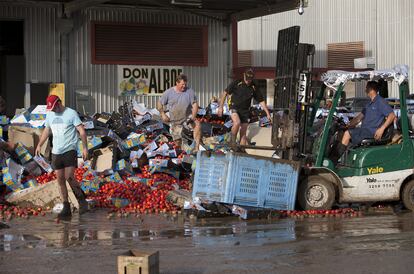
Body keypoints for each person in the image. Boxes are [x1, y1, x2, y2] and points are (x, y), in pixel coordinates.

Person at [35, 95, 89, 218]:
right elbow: (47, 130)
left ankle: (81, 199)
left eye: (54, 107)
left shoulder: (71, 113)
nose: (53, 110)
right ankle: (66, 206)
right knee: (60, 179)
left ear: (59, 103)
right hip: (56, 151)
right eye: (51, 109)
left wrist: (85, 148)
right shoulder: (50, 115)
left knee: (69, 177)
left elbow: (81, 131)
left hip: (70, 149)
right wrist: (39, 145)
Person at [329, 81, 395, 163]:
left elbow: (391, 115)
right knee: (341, 133)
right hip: (365, 131)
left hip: (371, 132)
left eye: (366, 87)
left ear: (370, 89)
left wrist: (382, 128)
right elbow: (358, 118)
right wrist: (347, 125)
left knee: (347, 134)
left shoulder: (380, 101)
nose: (365, 89)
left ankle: (333, 162)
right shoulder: (369, 104)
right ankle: (336, 158)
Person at [217, 68, 271, 146]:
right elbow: (225, 93)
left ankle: (242, 150)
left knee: (243, 131)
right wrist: (220, 107)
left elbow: (261, 100)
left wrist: (268, 113)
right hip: (234, 106)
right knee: (237, 122)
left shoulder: (254, 87)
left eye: (250, 79)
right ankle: (232, 142)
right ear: (244, 76)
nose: (248, 81)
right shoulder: (237, 82)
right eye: (247, 79)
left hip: (245, 110)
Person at [157, 74, 201, 152]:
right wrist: (162, 114)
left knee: (197, 124)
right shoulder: (169, 92)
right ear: (177, 83)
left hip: (187, 119)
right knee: (178, 144)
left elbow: (195, 104)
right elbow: (159, 103)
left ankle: (196, 148)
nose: (184, 86)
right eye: (182, 84)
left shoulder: (189, 91)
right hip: (175, 121)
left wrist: (193, 116)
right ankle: (182, 153)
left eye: (185, 84)